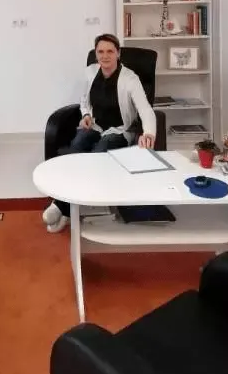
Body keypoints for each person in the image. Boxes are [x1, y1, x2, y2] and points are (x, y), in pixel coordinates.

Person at [42, 33, 157, 233]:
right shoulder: (90, 72)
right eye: (100, 51)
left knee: (98, 153)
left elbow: (145, 109)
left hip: (119, 130)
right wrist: (86, 115)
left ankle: (64, 208)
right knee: (76, 148)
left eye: (110, 51)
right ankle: (66, 207)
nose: (105, 56)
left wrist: (149, 133)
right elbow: (84, 100)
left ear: (118, 54)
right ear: (96, 54)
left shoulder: (130, 79)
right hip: (95, 126)